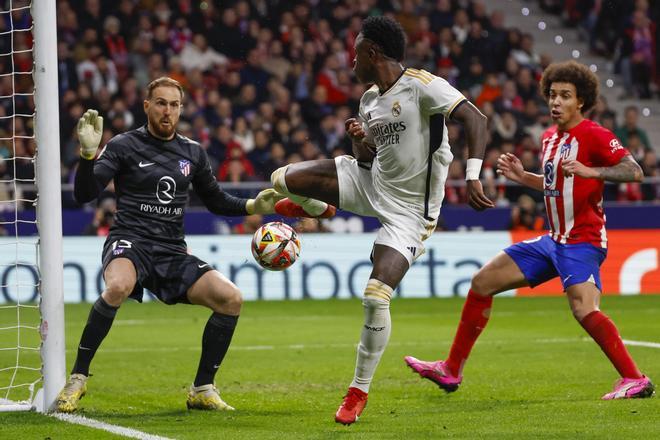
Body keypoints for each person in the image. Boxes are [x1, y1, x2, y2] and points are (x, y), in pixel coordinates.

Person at [270, 16, 494, 425]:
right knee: (281, 179)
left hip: (409, 214)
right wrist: (361, 141)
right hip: (371, 183)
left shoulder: (423, 85)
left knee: (375, 296)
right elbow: (370, 159)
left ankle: (358, 390)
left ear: (372, 52)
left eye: (355, 51)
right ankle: (318, 208)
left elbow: (476, 119)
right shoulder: (369, 100)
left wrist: (474, 174)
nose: (350, 59)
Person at [405, 60, 655, 401]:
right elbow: (556, 185)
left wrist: (593, 171)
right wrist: (524, 178)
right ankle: (451, 369)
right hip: (553, 240)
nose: (556, 102)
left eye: (565, 96)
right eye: (552, 95)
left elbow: (634, 171)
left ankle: (635, 379)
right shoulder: (550, 138)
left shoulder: (595, 135)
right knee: (482, 283)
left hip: (582, 241)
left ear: (580, 101)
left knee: (584, 309)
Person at [56, 77, 284, 413]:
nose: (168, 111)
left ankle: (203, 388)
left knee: (231, 299)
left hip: (172, 250)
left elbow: (216, 200)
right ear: (146, 106)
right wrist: (88, 156)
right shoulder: (123, 145)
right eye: (161, 103)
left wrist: (252, 206)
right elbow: (83, 195)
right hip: (130, 240)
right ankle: (77, 378)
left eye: (174, 105)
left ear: (181, 109)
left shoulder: (193, 152)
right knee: (118, 285)